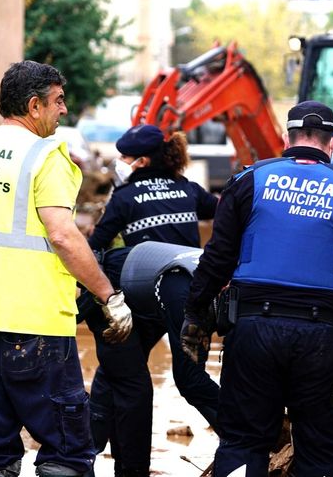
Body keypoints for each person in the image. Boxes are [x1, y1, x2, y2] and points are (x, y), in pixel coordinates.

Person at [0, 60, 133, 477]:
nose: (63, 111)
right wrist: (109, 296)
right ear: (34, 106)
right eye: (58, 102)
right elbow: (64, 236)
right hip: (38, 326)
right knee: (66, 453)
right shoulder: (45, 155)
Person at [180, 100, 333, 477]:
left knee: (243, 441)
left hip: (253, 331)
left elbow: (217, 257)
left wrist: (195, 317)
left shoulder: (248, 181)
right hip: (323, 339)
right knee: (320, 449)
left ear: (287, 138)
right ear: (332, 142)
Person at [85, 124, 219, 477]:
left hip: (142, 299)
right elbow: (225, 212)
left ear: (141, 161)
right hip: (187, 299)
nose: (120, 162)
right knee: (179, 377)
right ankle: (249, 438)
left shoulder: (126, 197)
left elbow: (95, 246)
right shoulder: (187, 189)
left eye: (125, 157)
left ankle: (83, 454)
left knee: (120, 373)